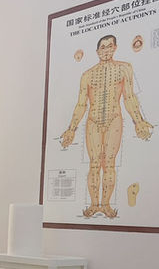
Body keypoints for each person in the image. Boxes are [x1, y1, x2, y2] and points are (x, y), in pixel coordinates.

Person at [60, 35, 152, 218]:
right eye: (103, 47)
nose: (106, 50)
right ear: (97, 51)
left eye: (110, 46)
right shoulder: (87, 75)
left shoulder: (124, 68)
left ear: (115, 47)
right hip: (93, 122)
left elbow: (129, 97)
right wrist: (71, 129)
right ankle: (95, 205)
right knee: (94, 164)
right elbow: (81, 104)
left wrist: (139, 121)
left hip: (114, 119)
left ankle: (106, 205)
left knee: (109, 164)